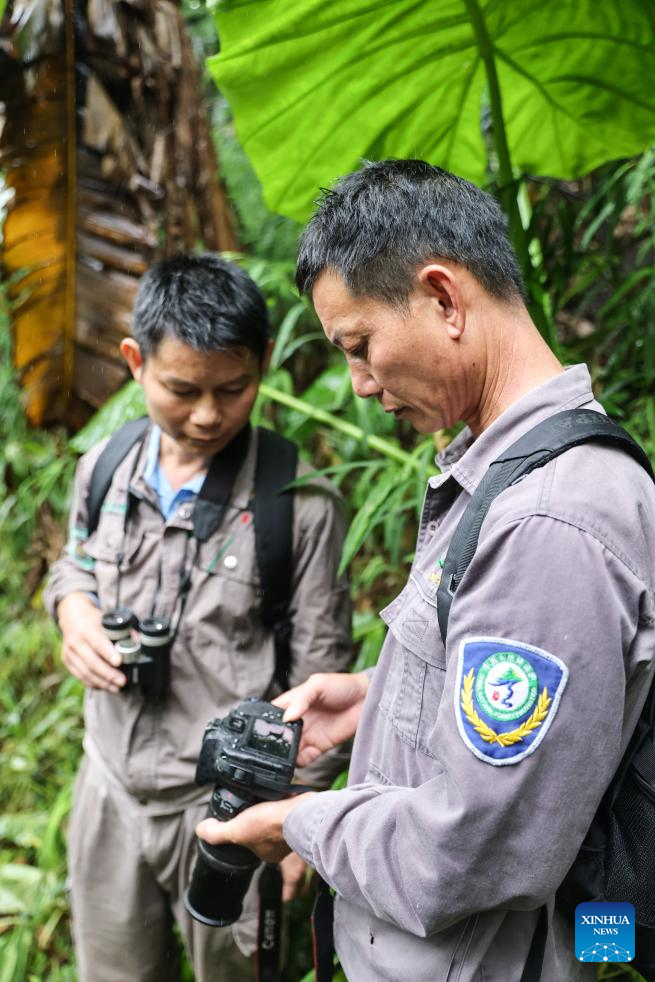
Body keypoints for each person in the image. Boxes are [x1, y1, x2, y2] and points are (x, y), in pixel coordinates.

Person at [196, 160, 655, 981]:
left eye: (360, 345)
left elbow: (478, 846)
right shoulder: (509, 470)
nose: (360, 384)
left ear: (443, 299)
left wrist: (300, 823)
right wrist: (374, 697)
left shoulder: (548, 520)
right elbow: (534, 687)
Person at [45, 253, 353, 982]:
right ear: (134, 363)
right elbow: (74, 563)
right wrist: (72, 608)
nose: (209, 414)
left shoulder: (297, 502)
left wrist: (294, 824)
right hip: (109, 790)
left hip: (227, 806)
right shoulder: (105, 467)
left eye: (233, 387)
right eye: (182, 389)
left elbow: (321, 674)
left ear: (263, 365)